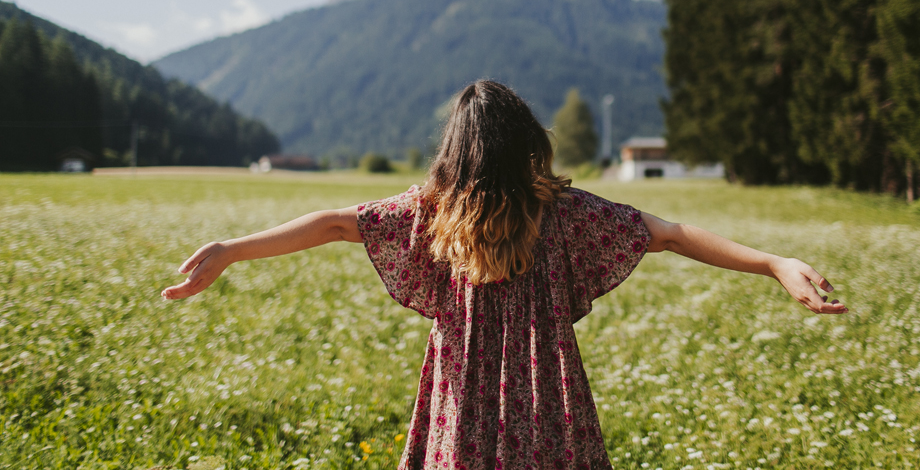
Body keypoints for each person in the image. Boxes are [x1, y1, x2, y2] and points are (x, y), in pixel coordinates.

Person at [162, 80, 846, 470]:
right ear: (527, 144)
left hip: (460, 411)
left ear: (456, 152)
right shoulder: (566, 212)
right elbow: (666, 234)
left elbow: (336, 222)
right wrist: (772, 262)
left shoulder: (431, 213)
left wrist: (230, 248)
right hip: (548, 407)